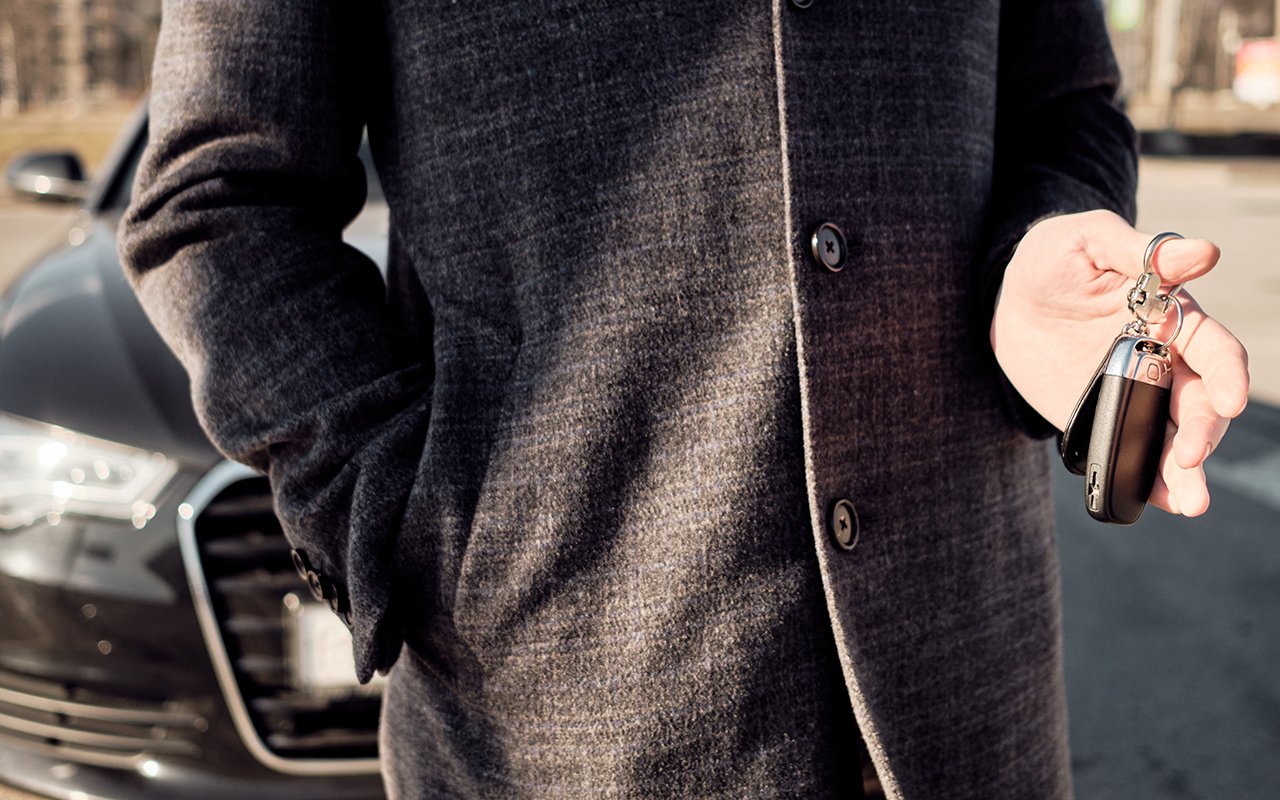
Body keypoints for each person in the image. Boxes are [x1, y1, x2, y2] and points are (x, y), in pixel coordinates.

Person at [119, 1, 1249, 798]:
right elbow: (221, 196)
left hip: (968, 699)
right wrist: (413, 523)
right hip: (563, 726)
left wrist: (1028, 259)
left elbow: (1065, 111)